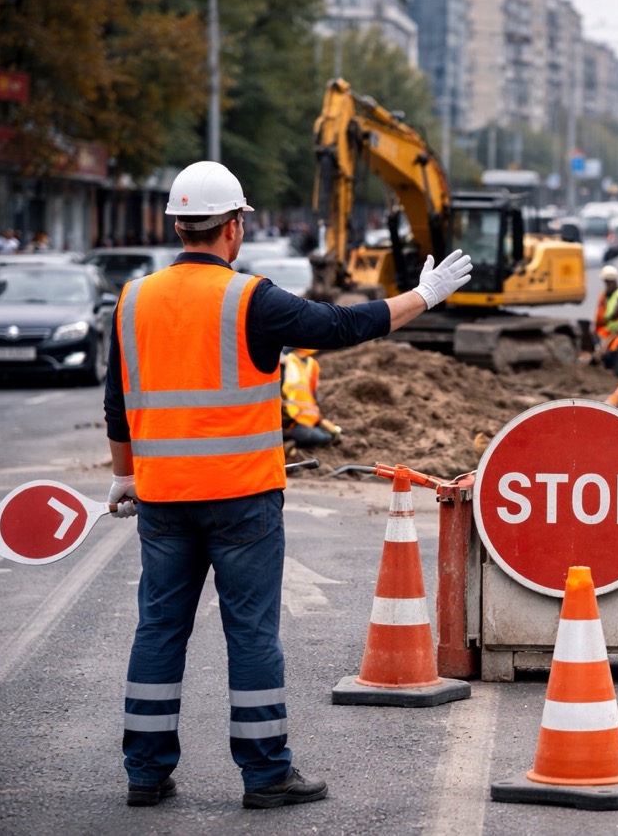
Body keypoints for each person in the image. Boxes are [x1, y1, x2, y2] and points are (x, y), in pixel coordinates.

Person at [103, 161, 472, 810]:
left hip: (161, 498)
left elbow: (117, 401)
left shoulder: (132, 300)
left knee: (158, 629)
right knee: (250, 634)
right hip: (241, 498)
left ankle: (145, 770)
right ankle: (265, 772)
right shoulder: (251, 299)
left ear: (177, 225)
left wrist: (122, 476)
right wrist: (425, 295)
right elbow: (340, 326)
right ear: (235, 227)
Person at [280, 347, 342, 454]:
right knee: (315, 436)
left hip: (308, 421)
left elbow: (312, 397)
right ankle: (288, 442)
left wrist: (320, 420)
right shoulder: (284, 363)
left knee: (332, 434)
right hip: (291, 424)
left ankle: (291, 442)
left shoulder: (312, 365)